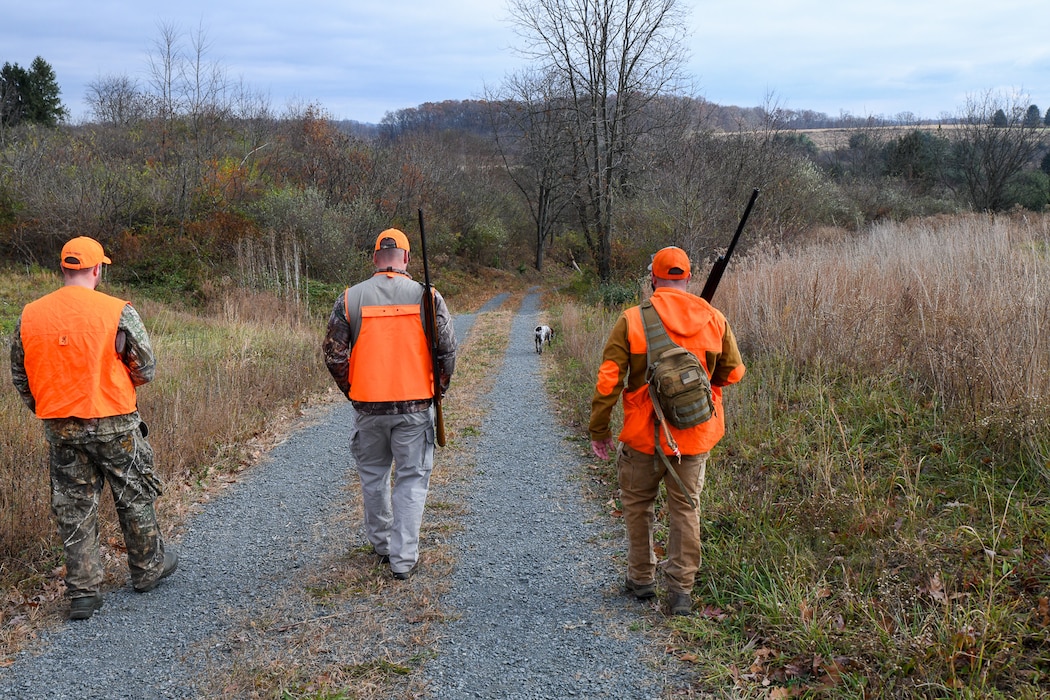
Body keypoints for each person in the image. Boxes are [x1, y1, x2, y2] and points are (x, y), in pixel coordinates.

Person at [10, 236, 178, 621]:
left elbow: (21, 375)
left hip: (61, 427)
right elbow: (146, 369)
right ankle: (147, 569)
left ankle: (83, 593)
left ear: (63, 268)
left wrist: (48, 408)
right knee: (133, 494)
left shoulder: (30, 314)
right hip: (115, 420)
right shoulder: (117, 310)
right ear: (97, 269)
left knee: (73, 506)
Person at [589, 246, 745, 615]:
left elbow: (609, 380)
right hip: (693, 437)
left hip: (643, 438)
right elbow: (733, 373)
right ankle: (680, 594)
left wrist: (599, 429)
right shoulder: (714, 318)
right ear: (688, 278)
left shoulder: (632, 319)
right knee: (686, 510)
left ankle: (641, 579)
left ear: (653, 279)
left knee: (638, 507)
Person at [323, 228, 456, 580]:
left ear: (374, 258)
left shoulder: (350, 298)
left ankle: (382, 546)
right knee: (411, 480)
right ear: (407, 258)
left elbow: (333, 355)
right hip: (415, 407)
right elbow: (447, 351)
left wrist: (354, 390)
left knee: (373, 477)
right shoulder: (428, 297)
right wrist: (438, 391)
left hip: (368, 408)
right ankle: (403, 560)